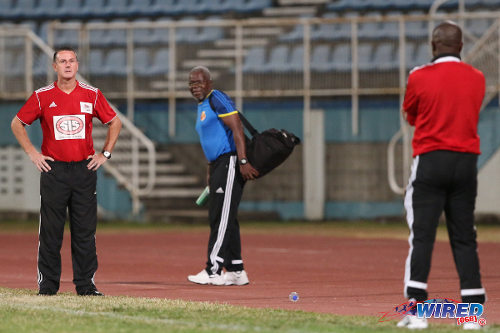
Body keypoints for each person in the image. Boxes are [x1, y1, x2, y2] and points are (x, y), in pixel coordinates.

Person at [11, 46, 122, 296]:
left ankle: (86, 285)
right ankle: (48, 285)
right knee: (51, 232)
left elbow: (115, 122)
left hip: (84, 170)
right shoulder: (42, 96)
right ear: (54, 67)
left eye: (72, 61)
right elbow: (17, 123)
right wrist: (33, 153)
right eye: (62, 61)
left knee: (85, 232)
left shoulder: (92, 95)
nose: (68, 65)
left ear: (78, 65)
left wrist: (105, 153)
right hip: (54, 171)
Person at [397, 21, 486, 329]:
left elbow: (410, 114)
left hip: (431, 159)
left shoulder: (419, 76)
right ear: (461, 47)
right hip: (465, 163)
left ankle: (417, 312)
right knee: (465, 237)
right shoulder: (478, 78)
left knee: (421, 236)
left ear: (433, 47)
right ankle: (472, 316)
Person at [187, 66, 259, 286]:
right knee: (225, 218)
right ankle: (236, 270)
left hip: (230, 162)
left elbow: (237, 128)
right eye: (191, 84)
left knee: (221, 219)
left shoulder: (217, 98)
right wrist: (211, 169)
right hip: (218, 164)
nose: (195, 87)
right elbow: (211, 140)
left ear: (209, 82)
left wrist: (243, 160)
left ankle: (214, 269)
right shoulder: (203, 104)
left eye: (199, 83)